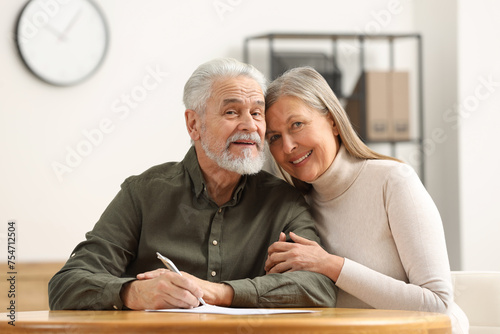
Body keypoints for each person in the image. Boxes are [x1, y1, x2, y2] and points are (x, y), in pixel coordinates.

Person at [48, 58, 337, 310]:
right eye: (232, 112)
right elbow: (66, 285)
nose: (250, 125)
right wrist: (133, 293)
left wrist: (222, 293)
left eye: (257, 113)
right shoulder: (143, 193)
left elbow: (319, 287)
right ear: (193, 125)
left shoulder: (284, 201)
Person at [263, 67, 469, 334]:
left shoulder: (393, 181)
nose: (288, 146)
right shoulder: (295, 208)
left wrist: (329, 264)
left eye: (297, 125)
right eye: (275, 137)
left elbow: (437, 304)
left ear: (333, 122)